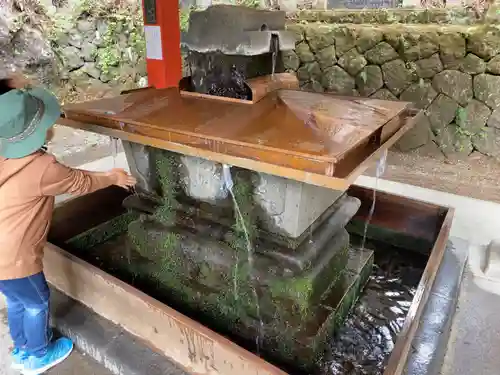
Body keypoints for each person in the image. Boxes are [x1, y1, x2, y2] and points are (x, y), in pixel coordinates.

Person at [0, 76, 137, 375]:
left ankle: (22, 348)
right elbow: (80, 181)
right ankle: (37, 355)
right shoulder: (42, 168)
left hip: (2, 257)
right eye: (47, 121)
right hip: (16, 258)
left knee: (17, 300)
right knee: (37, 301)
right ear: (35, 133)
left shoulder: (5, 157)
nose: (54, 124)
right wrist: (113, 178)